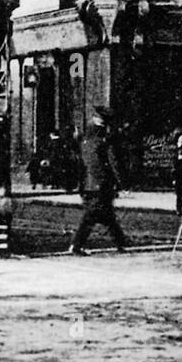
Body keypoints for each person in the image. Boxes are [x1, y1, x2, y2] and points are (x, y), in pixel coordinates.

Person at [69, 106, 129, 255]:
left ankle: (121, 242)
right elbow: (113, 162)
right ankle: (76, 245)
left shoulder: (85, 139)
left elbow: (79, 162)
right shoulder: (105, 140)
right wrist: (122, 184)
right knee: (91, 216)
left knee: (106, 215)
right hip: (102, 184)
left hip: (87, 183)